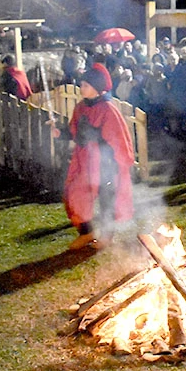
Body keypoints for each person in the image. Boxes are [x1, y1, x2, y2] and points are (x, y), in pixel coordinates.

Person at [54, 64, 134, 250]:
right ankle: (86, 232)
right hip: (84, 160)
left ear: (97, 88)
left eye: (86, 85)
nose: (81, 88)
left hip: (105, 162)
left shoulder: (108, 109)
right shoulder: (81, 107)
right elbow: (75, 130)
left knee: (107, 201)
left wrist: (115, 164)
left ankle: (107, 236)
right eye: (81, 84)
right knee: (75, 193)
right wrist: (60, 132)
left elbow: (118, 139)